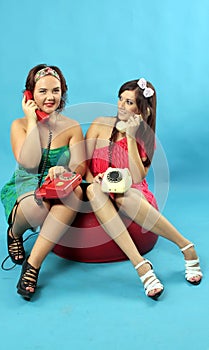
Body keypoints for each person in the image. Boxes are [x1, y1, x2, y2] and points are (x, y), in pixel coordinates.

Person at [85, 78, 203, 300]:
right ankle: (141, 266)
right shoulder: (100, 123)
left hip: (131, 194)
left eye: (129, 102)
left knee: (121, 193)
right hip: (98, 193)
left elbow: (138, 176)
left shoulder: (146, 137)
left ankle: (186, 246)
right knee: (93, 190)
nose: (121, 105)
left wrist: (130, 136)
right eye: (120, 99)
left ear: (142, 109)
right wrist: (95, 178)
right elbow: (83, 167)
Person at [0, 64, 86, 300]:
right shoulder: (18, 125)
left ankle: (33, 266)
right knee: (38, 211)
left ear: (63, 92)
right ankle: (15, 232)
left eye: (56, 91)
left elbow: (81, 167)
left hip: (59, 185)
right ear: (30, 94)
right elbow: (29, 162)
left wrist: (64, 169)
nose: (50, 97)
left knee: (76, 191)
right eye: (43, 91)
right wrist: (31, 121)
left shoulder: (72, 127)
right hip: (28, 183)